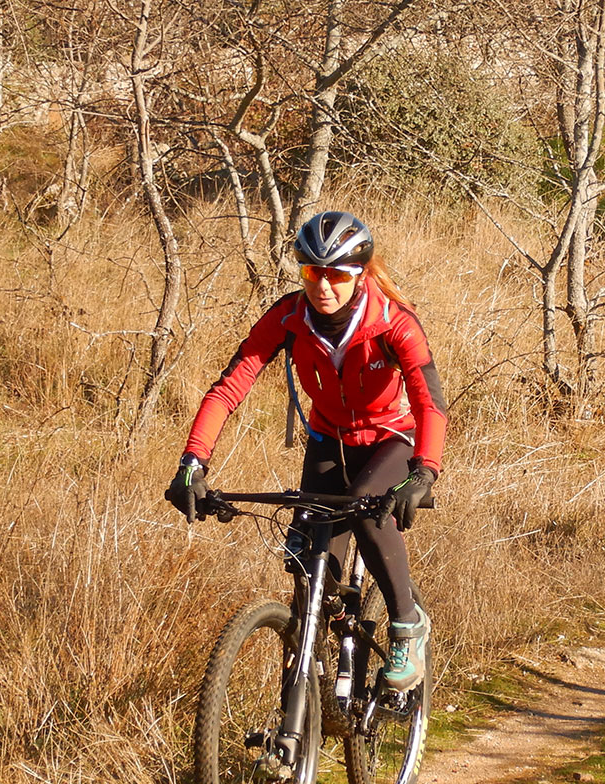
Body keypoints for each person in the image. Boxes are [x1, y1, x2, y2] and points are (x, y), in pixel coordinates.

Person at [166, 211, 447, 692]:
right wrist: (192, 462)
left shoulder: (393, 324)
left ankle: (406, 622)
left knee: (366, 507)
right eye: (313, 272)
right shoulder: (288, 318)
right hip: (326, 441)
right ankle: (304, 711)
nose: (324, 286)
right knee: (307, 565)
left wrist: (424, 472)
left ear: (359, 274)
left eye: (337, 274)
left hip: (390, 440)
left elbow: (429, 402)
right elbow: (229, 387)